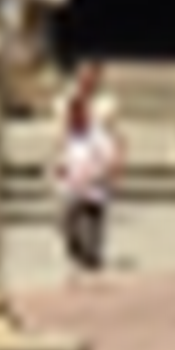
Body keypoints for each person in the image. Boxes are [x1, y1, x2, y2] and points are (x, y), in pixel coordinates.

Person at [53, 65, 122, 276]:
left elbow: (110, 150)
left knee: (93, 216)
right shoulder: (68, 130)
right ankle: (76, 251)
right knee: (67, 217)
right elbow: (60, 147)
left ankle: (91, 254)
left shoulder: (97, 132)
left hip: (92, 179)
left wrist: (110, 169)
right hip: (73, 180)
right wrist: (58, 165)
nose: (75, 117)